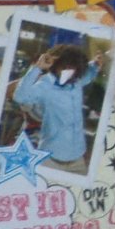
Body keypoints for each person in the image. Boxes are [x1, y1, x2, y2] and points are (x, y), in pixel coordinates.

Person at [11, 44, 103, 173]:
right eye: (65, 67)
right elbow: (20, 97)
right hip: (50, 161)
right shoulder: (45, 85)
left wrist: (95, 64)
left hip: (78, 160)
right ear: (56, 64)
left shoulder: (76, 81)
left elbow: (89, 75)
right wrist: (37, 68)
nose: (69, 72)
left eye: (73, 68)